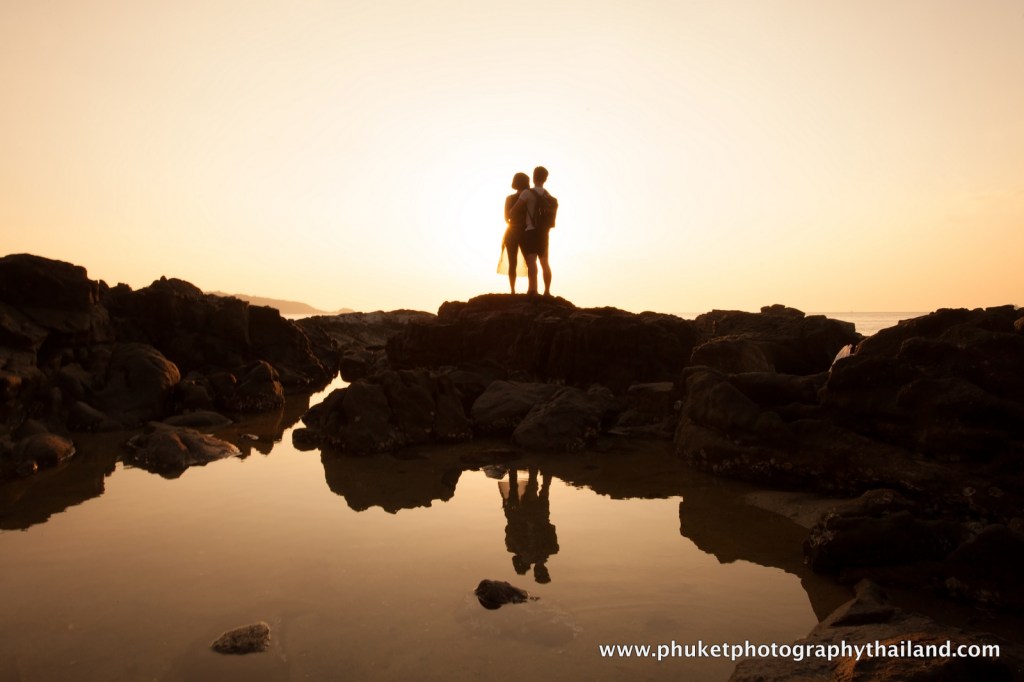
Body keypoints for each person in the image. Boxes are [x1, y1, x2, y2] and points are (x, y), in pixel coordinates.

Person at [507, 166, 554, 296]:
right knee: (545, 262)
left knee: (532, 261)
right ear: (545, 179)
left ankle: (532, 289)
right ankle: (547, 291)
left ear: (533, 177)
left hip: (530, 231)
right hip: (544, 232)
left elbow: (512, 213)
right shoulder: (547, 194)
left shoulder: (527, 193)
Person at [502, 172, 531, 294]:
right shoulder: (529, 197)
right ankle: (531, 288)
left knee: (512, 262)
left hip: (511, 232)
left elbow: (506, 218)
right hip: (525, 232)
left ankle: (512, 290)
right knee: (530, 262)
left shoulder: (509, 198)